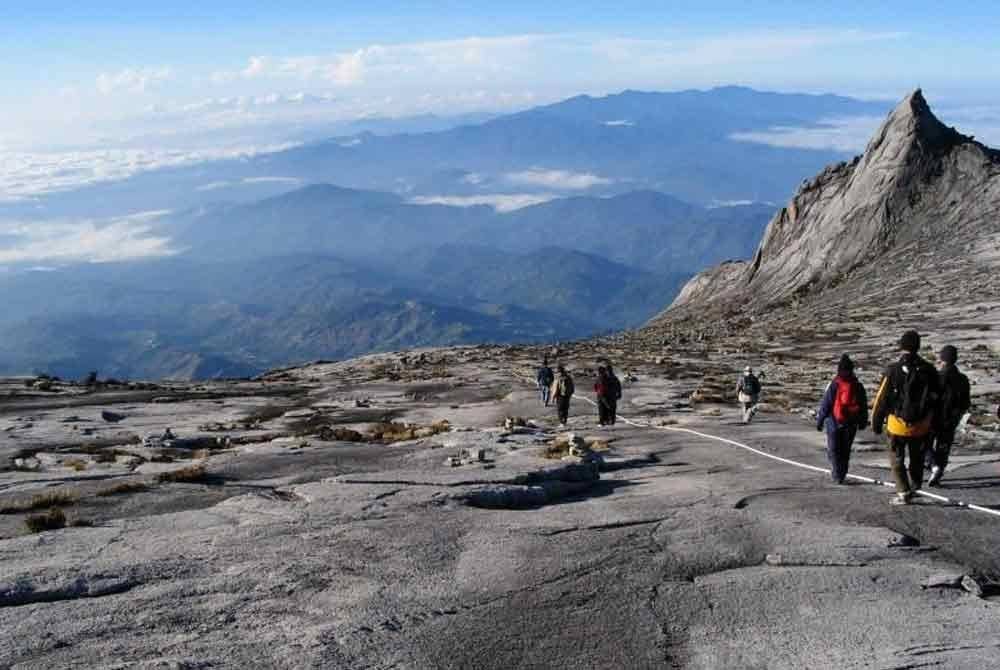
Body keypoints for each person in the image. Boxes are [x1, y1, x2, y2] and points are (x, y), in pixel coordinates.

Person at [871, 330, 942, 505]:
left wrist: (876, 422)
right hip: (921, 426)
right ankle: (915, 485)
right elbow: (938, 399)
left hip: (897, 424)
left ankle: (903, 491)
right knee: (917, 457)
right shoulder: (930, 371)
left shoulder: (893, 370)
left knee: (896, 459)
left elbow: (882, 399)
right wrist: (935, 423)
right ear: (918, 346)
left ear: (902, 346)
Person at [815, 354, 869, 484]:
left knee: (834, 449)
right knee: (845, 450)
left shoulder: (835, 384)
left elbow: (826, 403)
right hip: (851, 423)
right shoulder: (857, 385)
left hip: (834, 422)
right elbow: (863, 405)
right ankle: (841, 474)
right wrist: (862, 421)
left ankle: (836, 473)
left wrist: (820, 420)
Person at [927, 345, 971, 486]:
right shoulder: (963, 379)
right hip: (952, 419)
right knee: (944, 446)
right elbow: (966, 402)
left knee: (924, 443)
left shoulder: (937, 377)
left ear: (942, 359)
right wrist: (958, 416)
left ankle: (934, 465)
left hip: (934, 418)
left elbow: (929, 399)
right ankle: (938, 470)